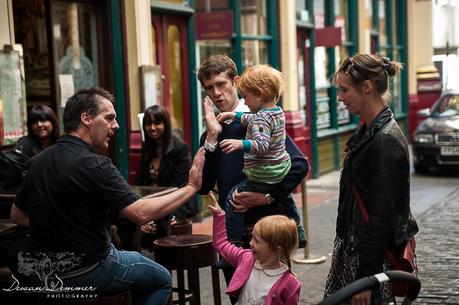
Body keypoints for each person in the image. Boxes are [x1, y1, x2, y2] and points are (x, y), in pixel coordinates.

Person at [10, 87, 205, 305]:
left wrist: (59, 223)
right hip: (87, 271)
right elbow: (140, 213)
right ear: (86, 118)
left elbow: (17, 215)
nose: (116, 126)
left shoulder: (37, 162)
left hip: (40, 275)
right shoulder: (96, 164)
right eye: (109, 118)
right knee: (162, 279)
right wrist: (190, 187)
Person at [197, 55, 308, 303]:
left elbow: (298, 164)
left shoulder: (259, 117)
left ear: (235, 82)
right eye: (209, 88)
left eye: (221, 84)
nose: (216, 93)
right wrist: (212, 138)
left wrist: (266, 196)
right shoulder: (211, 131)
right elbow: (204, 186)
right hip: (234, 239)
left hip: (268, 232)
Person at [324, 54, 418, 305]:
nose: (340, 98)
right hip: (354, 254)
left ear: (366, 88)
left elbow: (381, 217)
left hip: (365, 261)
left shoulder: (385, 139)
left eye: (344, 90)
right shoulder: (370, 131)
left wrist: (366, 278)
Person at [216, 64, 301, 245]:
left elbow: (261, 144)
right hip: (280, 169)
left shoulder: (261, 118)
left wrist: (240, 144)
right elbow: (251, 119)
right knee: (286, 198)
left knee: (233, 199)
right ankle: (298, 229)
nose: (245, 102)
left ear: (260, 94)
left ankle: (233, 242)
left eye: (246, 96)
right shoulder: (276, 112)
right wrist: (233, 115)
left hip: (263, 173)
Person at [208, 191, 301, 305]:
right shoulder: (245, 258)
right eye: (252, 237)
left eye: (257, 240)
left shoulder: (290, 283)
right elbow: (220, 244)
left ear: (277, 248)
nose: (251, 243)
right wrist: (219, 215)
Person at [135, 105, 196, 241]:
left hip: (175, 204)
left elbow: (178, 186)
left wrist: (153, 213)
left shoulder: (180, 148)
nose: (152, 128)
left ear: (166, 124)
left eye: (157, 123)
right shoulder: (147, 147)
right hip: (151, 203)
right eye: (148, 124)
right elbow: (140, 181)